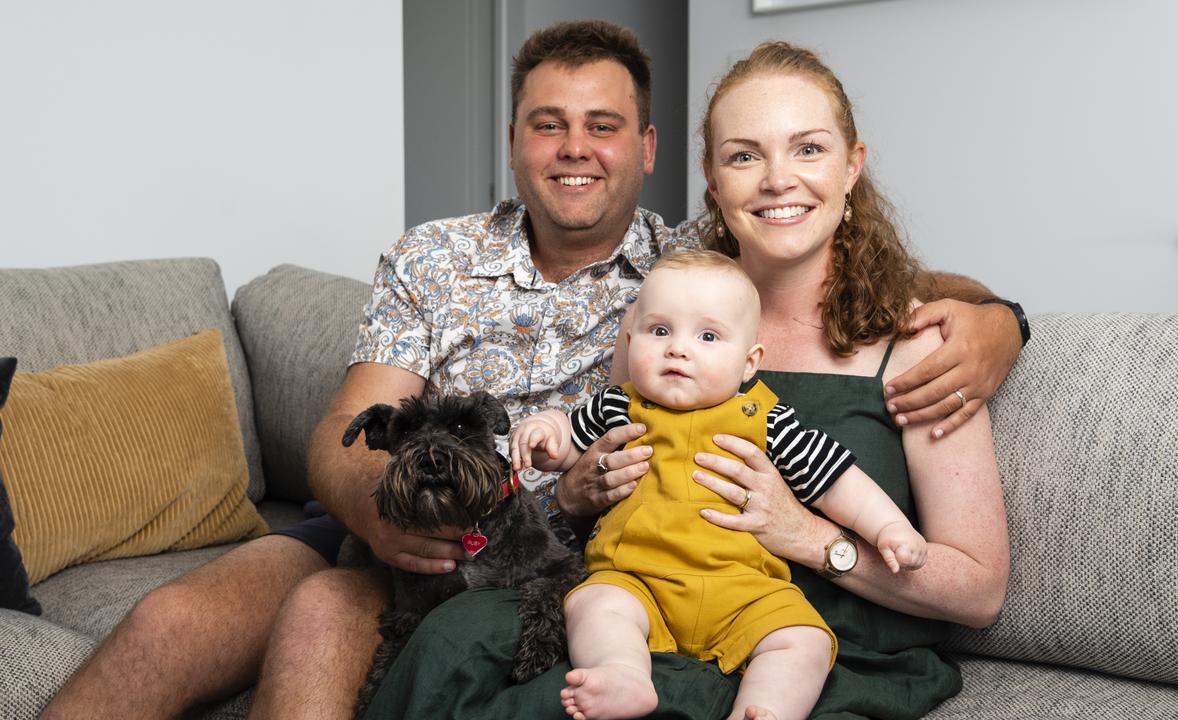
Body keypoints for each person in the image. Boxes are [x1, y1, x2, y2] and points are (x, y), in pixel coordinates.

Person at [43, 24, 1016, 720]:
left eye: (603, 126)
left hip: (551, 559)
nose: (574, 150)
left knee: (326, 626)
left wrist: (996, 323)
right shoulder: (432, 257)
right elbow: (346, 434)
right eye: (548, 124)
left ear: (645, 153)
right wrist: (391, 524)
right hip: (405, 530)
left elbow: (858, 270)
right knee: (173, 620)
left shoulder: (681, 265)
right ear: (513, 142)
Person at [364, 39, 1010, 720]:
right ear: (712, 177)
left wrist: (807, 537)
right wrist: (579, 492)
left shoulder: (923, 345)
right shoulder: (660, 317)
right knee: (447, 651)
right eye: (743, 155)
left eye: (809, 149)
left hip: (813, 648)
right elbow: (599, 455)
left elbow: (978, 592)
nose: (777, 179)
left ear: (853, 167)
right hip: (643, 624)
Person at [511, 250, 929, 720]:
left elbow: (834, 481)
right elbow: (569, 450)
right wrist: (547, 432)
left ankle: (766, 709)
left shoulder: (765, 420)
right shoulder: (617, 407)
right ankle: (623, 674)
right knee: (593, 603)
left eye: (707, 336)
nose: (678, 349)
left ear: (749, 362)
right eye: (660, 331)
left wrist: (889, 528)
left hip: (743, 589)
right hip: (637, 579)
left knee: (803, 640)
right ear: (630, 341)